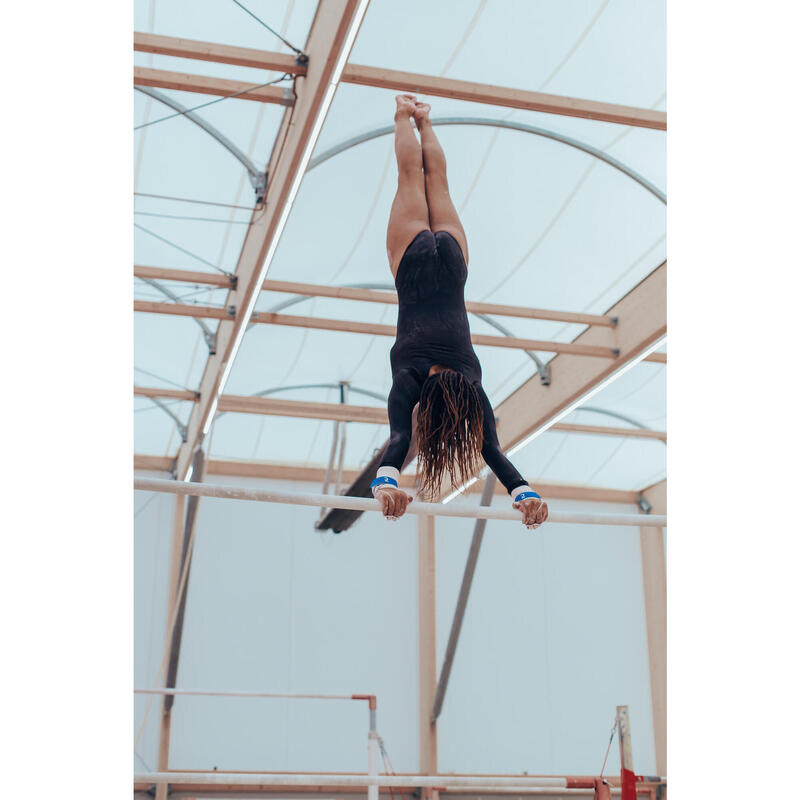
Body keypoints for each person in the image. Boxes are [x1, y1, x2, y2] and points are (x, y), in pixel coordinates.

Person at [371, 95, 549, 530]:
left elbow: (493, 450)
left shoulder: (471, 380)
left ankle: (425, 119)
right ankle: (403, 114)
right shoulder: (410, 376)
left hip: (452, 264)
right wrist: (385, 484)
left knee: (439, 182)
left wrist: (527, 494)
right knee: (411, 175)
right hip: (411, 264)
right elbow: (398, 438)